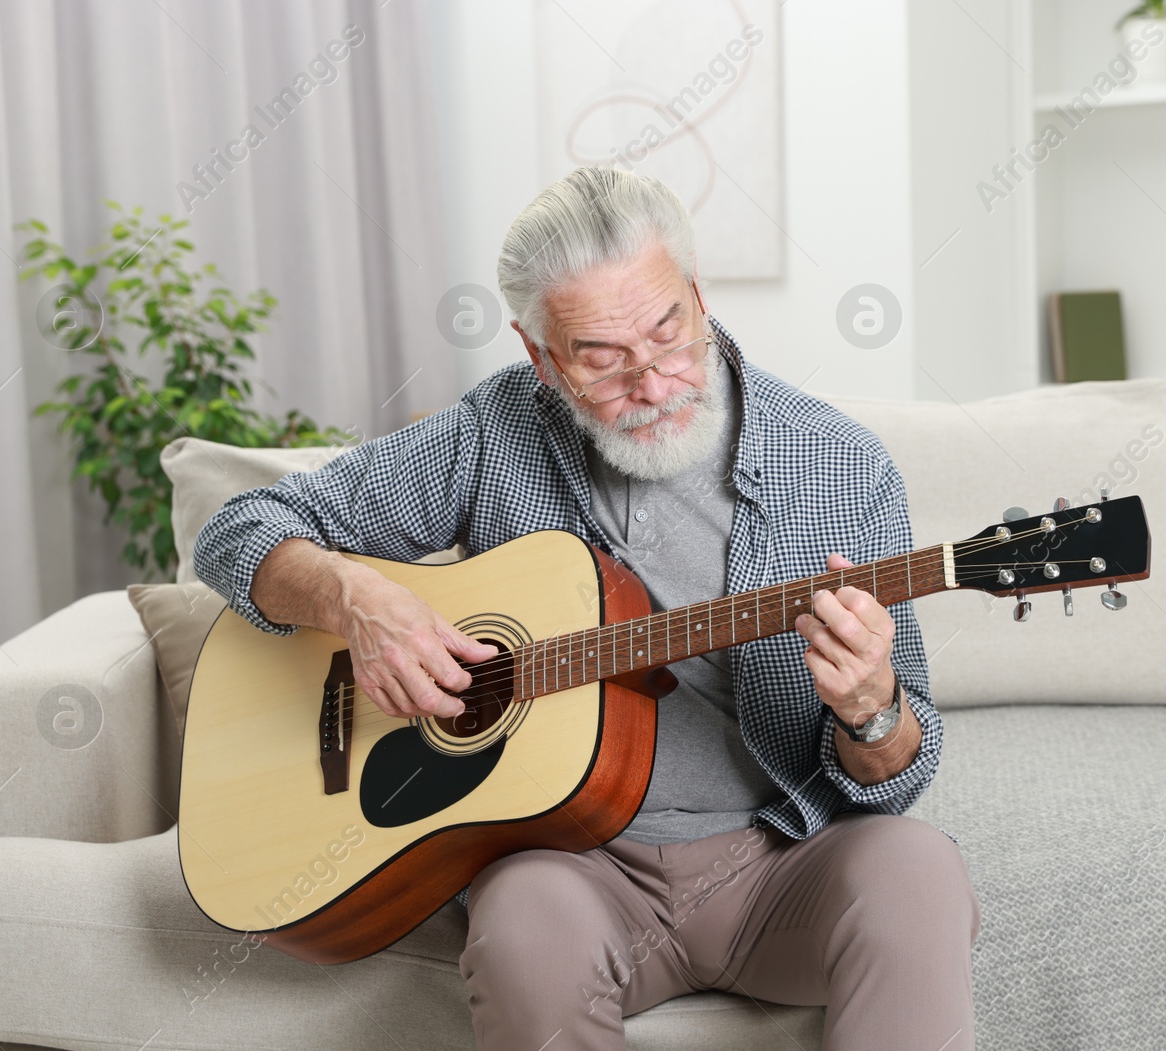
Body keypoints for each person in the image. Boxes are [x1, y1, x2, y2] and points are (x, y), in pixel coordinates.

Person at [193, 166, 981, 1050]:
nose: (652, 381)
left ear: (697, 295)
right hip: (570, 868)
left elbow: (901, 775)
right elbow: (237, 531)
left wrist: (871, 710)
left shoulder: (841, 468)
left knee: (918, 868)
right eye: (601, 357)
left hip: (777, 866)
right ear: (541, 356)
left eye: (668, 331)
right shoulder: (495, 430)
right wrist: (356, 596)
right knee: (522, 921)